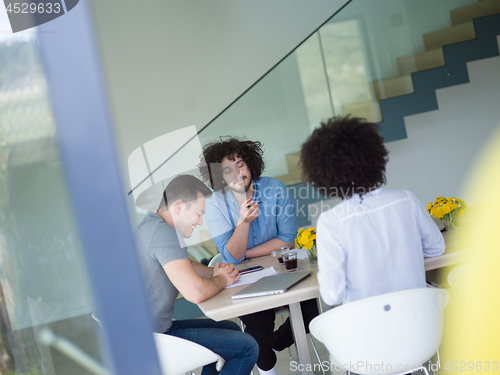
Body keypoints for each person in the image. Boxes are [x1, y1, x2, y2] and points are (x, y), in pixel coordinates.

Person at [199, 137, 319, 375]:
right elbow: (230, 258)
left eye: (240, 164)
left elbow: (287, 238)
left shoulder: (275, 189)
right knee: (257, 323)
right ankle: (267, 369)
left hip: (282, 269)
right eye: (227, 169)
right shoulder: (214, 203)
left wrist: (243, 253)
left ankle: (278, 341)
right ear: (220, 177)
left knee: (311, 309)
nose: (236, 172)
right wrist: (243, 223)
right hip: (243, 279)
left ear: (250, 164)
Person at [299, 116, 445, 306]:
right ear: (374, 156)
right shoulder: (405, 200)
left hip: (368, 330)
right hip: (421, 324)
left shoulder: (331, 221)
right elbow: (437, 247)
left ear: (322, 174)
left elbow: (332, 295)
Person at [134, 174, 258, 375]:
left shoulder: (151, 226)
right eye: (199, 214)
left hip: (150, 334)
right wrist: (222, 279)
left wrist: (216, 272)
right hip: (154, 341)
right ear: (179, 206)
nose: (200, 222)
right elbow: (195, 293)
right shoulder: (164, 233)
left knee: (231, 329)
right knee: (246, 347)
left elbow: (187, 265)